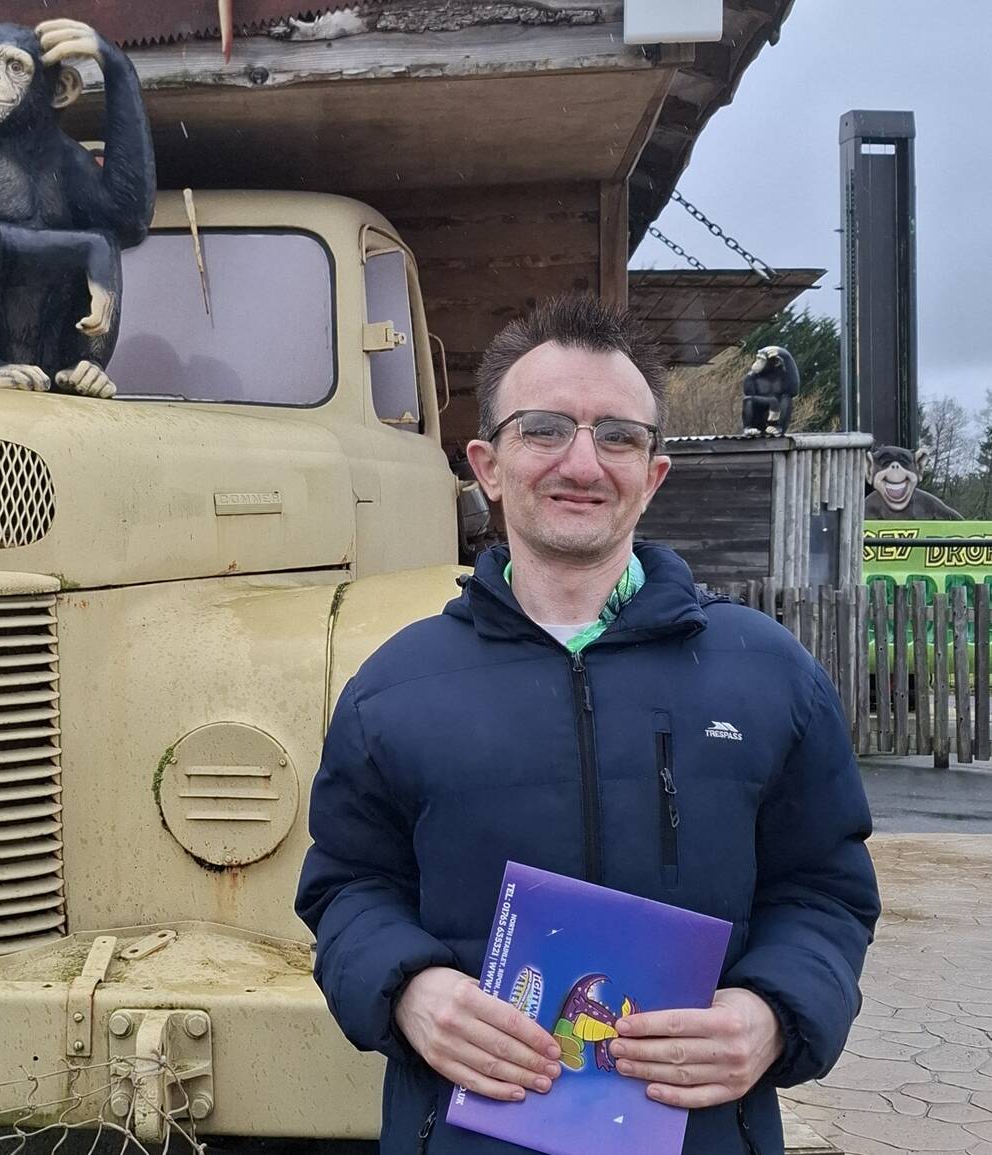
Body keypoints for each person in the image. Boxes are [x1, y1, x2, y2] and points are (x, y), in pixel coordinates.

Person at [295, 295, 879, 1155]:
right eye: (544, 429)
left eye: (617, 435)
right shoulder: (395, 686)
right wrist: (408, 988)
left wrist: (772, 1011)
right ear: (487, 464)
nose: (583, 461)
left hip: (701, 1134)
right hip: (467, 1134)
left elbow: (824, 888)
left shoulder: (767, 673)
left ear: (653, 473)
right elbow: (346, 886)